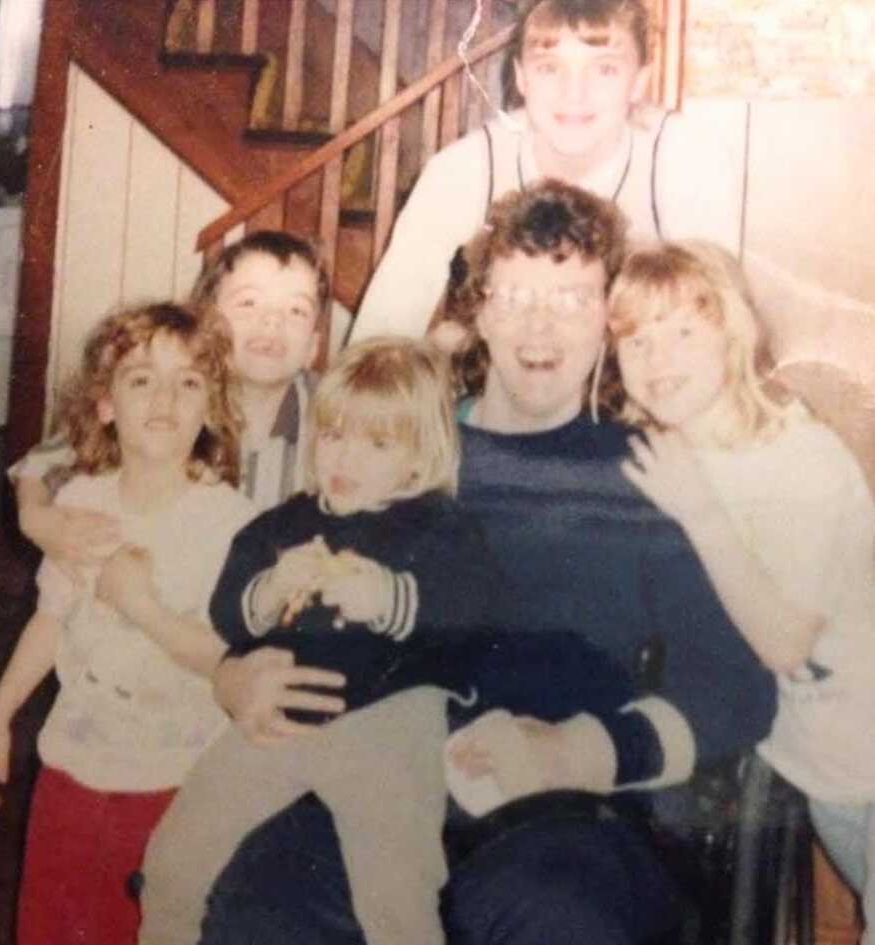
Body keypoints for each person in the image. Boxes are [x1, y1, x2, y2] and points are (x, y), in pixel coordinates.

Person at [199, 181, 776, 945]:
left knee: (562, 921)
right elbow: (277, 585)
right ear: (478, 311)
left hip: (558, 815)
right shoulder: (394, 452)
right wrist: (232, 675)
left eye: (571, 299)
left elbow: (737, 685)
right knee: (261, 910)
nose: (540, 322)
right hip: (363, 785)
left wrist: (584, 750)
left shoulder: (645, 475)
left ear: (608, 318)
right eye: (516, 295)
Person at [607, 240, 875, 945]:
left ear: (733, 333)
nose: (658, 358)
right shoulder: (679, 455)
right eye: (637, 338)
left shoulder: (797, 457)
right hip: (828, 774)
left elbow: (785, 642)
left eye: (684, 332)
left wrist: (698, 512)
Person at [0, 303, 256, 945]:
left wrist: (141, 607)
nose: (165, 397)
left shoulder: (228, 524)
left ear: (211, 405)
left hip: (173, 775)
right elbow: (50, 621)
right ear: (104, 405)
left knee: (140, 927)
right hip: (71, 762)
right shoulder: (79, 504)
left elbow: (223, 662)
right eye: (140, 380)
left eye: (188, 381)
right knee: (48, 923)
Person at [350, 0, 742, 344]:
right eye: (550, 68)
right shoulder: (465, 168)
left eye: (604, 69)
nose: (574, 92)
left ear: (639, 81)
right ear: (521, 77)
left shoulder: (683, 160)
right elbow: (381, 333)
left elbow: (722, 333)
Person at [9, 229, 327, 572]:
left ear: (313, 346)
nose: (272, 320)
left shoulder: (339, 413)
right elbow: (40, 467)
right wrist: (39, 521)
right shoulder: (173, 393)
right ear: (206, 322)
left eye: (296, 310)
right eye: (249, 303)